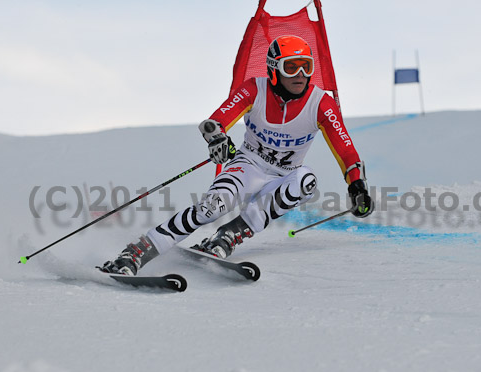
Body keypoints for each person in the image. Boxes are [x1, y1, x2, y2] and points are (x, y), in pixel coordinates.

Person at [100, 35, 374, 276]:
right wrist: (217, 139)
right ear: (274, 69)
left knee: (306, 180)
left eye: (306, 66)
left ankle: (229, 235)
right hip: (248, 166)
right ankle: (136, 252)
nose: (300, 74)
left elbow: (346, 150)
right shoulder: (255, 88)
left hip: (285, 175)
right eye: (291, 66)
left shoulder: (320, 103)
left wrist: (357, 185)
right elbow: (213, 123)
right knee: (210, 208)